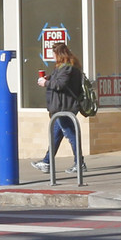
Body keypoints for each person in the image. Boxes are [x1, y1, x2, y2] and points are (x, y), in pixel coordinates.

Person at [33, 45, 85, 176]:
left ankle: (79, 163)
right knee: (56, 134)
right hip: (61, 107)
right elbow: (59, 80)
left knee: (71, 134)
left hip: (64, 108)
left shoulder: (67, 67)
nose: (52, 56)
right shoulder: (65, 67)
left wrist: (45, 83)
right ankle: (47, 162)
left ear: (60, 54)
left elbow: (61, 84)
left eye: (54, 53)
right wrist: (49, 78)